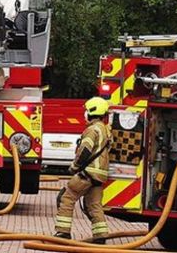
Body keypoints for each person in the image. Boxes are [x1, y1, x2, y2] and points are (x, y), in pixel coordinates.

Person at [54, 96, 113, 243]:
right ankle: (101, 237)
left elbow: (84, 151)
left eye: (86, 111)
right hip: (99, 176)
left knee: (66, 198)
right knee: (94, 205)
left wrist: (74, 167)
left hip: (87, 173)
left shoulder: (92, 130)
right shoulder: (106, 130)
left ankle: (63, 233)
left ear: (91, 112)